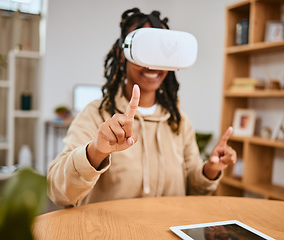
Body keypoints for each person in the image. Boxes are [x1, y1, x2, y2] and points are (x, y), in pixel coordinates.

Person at [47, 8, 237, 206]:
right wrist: (96, 151)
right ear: (123, 55)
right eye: (145, 51)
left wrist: (211, 169)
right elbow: (58, 192)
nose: (153, 65)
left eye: (162, 52)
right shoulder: (95, 115)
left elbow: (192, 192)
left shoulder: (178, 121)